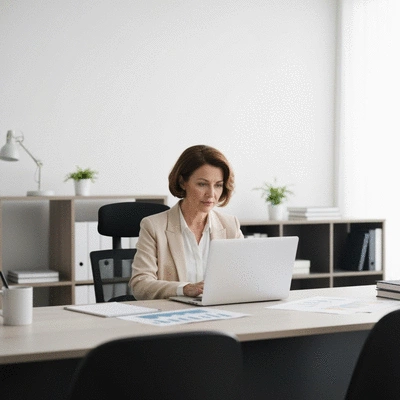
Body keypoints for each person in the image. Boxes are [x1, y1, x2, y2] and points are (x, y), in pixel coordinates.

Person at [129, 144, 243, 300]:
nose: (211, 194)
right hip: (172, 316)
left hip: (219, 312)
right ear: (183, 182)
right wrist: (185, 289)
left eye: (218, 185)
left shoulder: (230, 226)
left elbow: (244, 277)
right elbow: (140, 285)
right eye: (202, 184)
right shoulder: (154, 226)